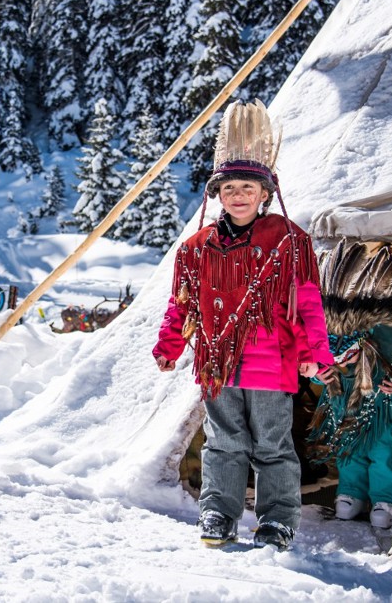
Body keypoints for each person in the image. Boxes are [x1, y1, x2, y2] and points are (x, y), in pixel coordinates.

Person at [153, 100, 333, 550]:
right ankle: (218, 511)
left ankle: (277, 520)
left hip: (271, 363)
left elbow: (308, 300)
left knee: (273, 443)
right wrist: (169, 345)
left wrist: (315, 353)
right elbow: (183, 303)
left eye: (247, 187)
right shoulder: (196, 247)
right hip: (217, 363)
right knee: (223, 442)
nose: (237, 195)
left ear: (264, 194)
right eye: (229, 187)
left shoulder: (290, 240)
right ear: (217, 194)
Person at [308, 243, 392, 531]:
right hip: (343, 410)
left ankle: (385, 499)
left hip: (380, 410)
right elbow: (310, 368)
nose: (344, 362)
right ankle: (351, 493)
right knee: (348, 451)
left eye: (348, 356)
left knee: (383, 450)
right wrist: (319, 375)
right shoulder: (329, 348)